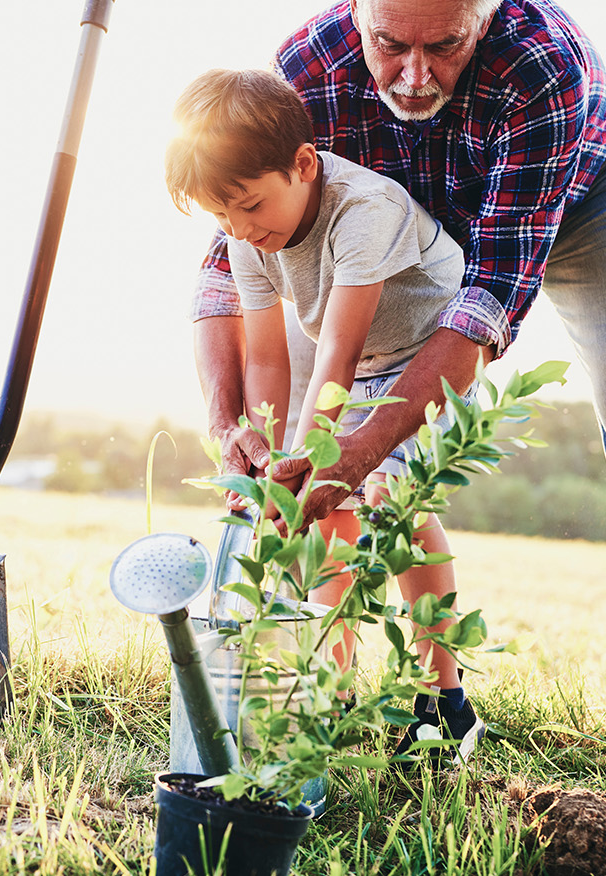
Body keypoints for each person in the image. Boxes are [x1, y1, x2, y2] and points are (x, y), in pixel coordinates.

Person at [189, 0, 606, 771]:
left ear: (483, 19)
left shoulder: (541, 66)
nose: (413, 77)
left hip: (576, 193)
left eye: (444, 45)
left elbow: (483, 301)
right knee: (295, 438)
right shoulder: (306, 70)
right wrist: (234, 429)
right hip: (394, 226)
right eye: (388, 45)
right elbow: (231, 264)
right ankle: (327, 680)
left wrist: (354, 455)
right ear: (355, 15)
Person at [169, 68, 483, 761]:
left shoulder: (361, 211)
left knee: (386, 497)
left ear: (303, 165)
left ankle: (445, 701)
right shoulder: (250, 236)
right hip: (356, 360)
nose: (241, 229)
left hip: (424, 351)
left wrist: (311, 458)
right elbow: (271, 361)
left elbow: (335, 353)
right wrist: (265, 452)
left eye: (250, 205)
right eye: (223, 218)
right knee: (325, 514)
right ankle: (332, 690)